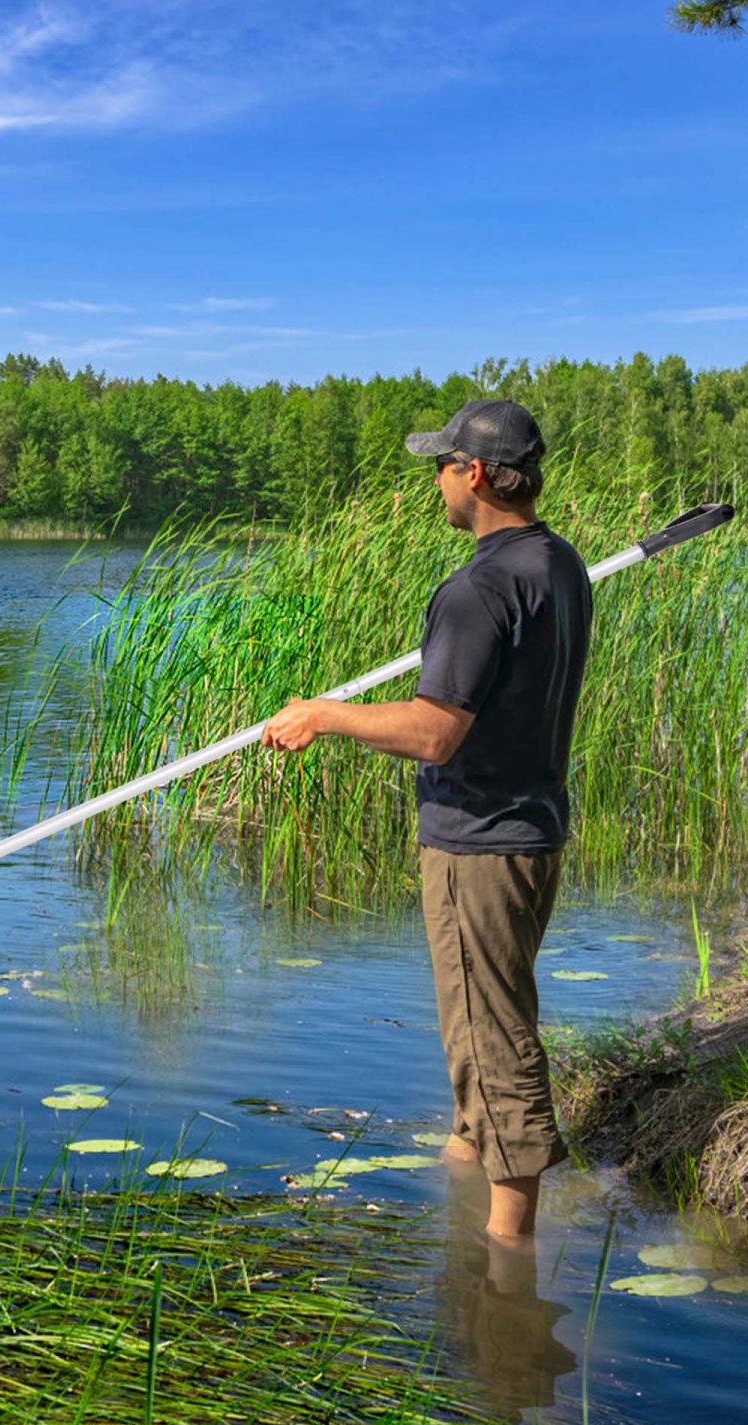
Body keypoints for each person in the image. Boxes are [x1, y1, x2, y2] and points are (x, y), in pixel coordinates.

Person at [261, 398, 592, 1242]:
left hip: (480, 840)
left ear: (474, 474)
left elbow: (435, 731)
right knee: (477, 1017)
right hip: (533, 828)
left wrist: (326, 714)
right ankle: (462, 1161)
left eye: (442, 466)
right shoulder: (557, 563)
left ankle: (509, 1245)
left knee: (492, 1028)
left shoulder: (478, 587)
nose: (436, 483)